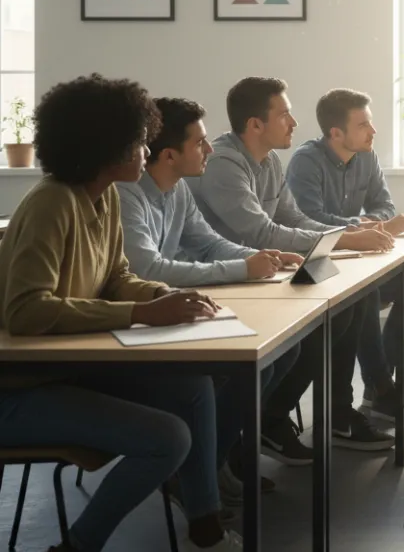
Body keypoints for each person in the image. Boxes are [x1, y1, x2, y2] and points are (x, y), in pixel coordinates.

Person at [0, 74, 239, 551]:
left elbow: (116, 276)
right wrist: (139, 314)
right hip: (19, 387)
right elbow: (25, 311)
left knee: (194, 388)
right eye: (138, 141)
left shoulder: (103, 194)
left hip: (66, 370)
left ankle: (204, 523)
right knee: (167, 437)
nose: (147, 151)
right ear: (105, 145)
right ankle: (77, 546)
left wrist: (159, 296)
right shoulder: (52, 203)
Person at [190, 77, 396, 461]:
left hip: (264, 275)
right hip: (227, 284)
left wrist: (344, 234)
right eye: (284, 114)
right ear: (255, 124)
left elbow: (295, 219)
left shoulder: (268, 161)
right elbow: (260, 230)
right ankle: (253, 428)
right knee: (307, 335)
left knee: (346, 308)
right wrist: (348, 238)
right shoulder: (223, 163)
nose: (294, 123)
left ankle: (277, 418)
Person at [118, 96, 305, 502]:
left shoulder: (179, 190)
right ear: (169, 155)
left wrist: (260, 258)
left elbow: (207, 243)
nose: (209, 149)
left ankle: (210, 464)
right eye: (201, 142)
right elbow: (147, 270)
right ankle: (199, 475)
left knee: (281, 354)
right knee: (240, 368)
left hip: (170, 312)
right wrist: (244, 269)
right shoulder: (126, 196)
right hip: (136, 325)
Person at [286, 88, 404, 425]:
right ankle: (381, 389)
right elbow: (310, 218)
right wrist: (363, 224)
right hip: (314, 263)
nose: (373, 131)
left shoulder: (367, 156)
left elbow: (385, 206)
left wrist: (370, 223)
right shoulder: (306, 161)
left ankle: (378, 388)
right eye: (364, 124)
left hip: (353, 259)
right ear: (336, 133)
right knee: (366, 295)